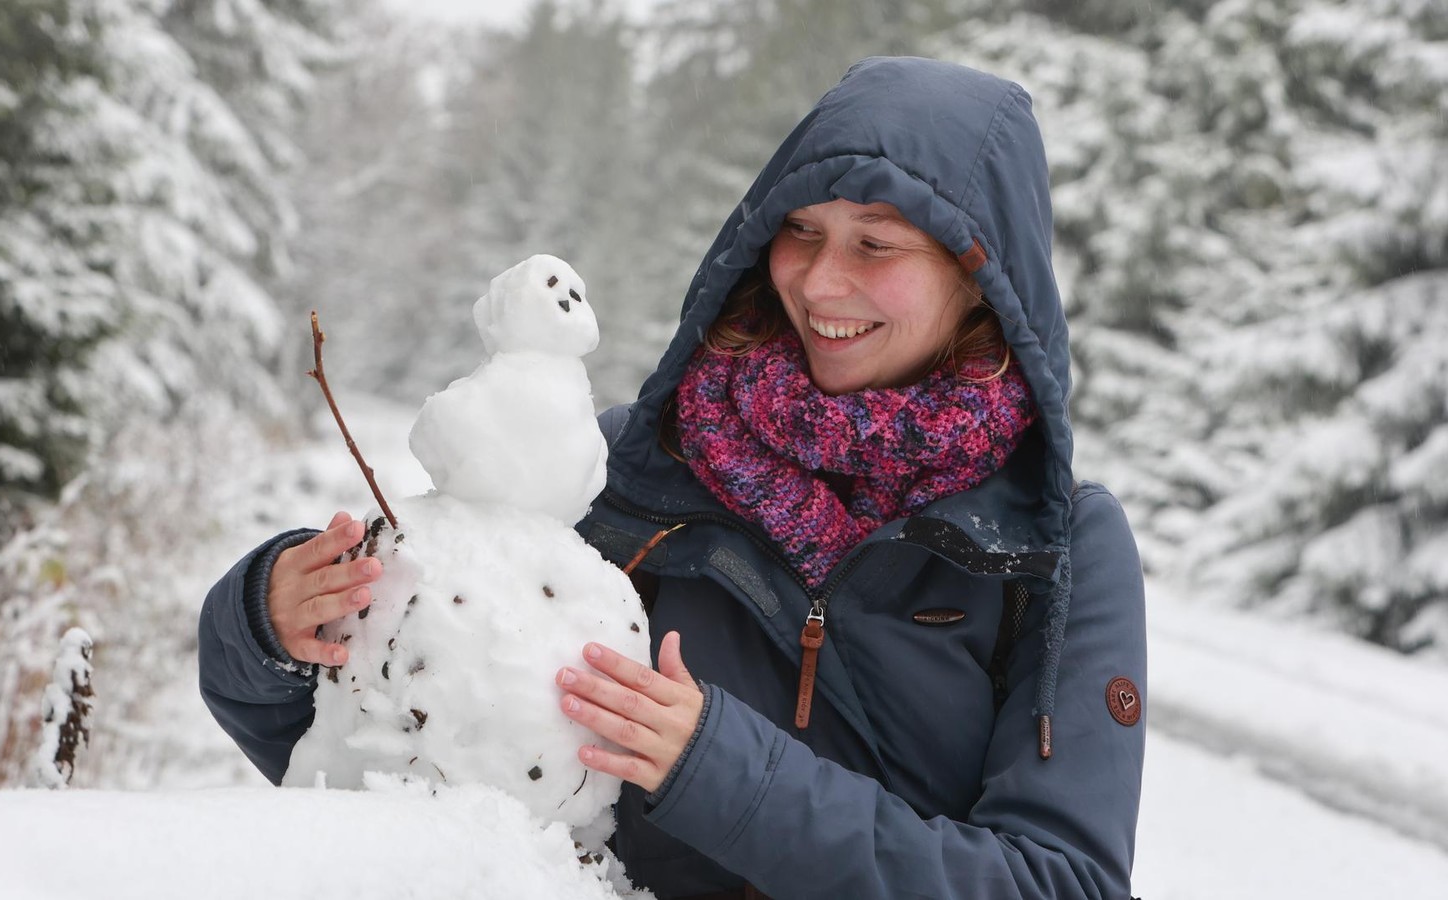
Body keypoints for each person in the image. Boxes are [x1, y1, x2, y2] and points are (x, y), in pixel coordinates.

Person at [199, 56, 1146, 900]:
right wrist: (268, 626)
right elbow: (407, 759)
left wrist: (721, 772)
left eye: (877, 243)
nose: (819, 282)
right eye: (802, 230)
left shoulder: (1058, 546)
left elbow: (1059, 883)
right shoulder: (624, 471)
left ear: (979, 278)